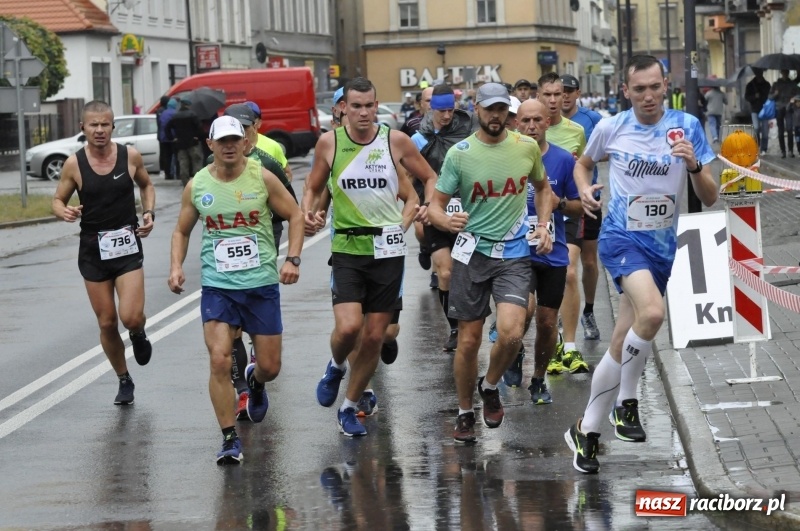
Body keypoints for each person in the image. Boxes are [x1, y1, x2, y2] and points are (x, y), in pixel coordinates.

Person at [564, 54, 718, 474]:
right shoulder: (611, 127)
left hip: (662, 246)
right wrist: (586, 191)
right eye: (639, 89)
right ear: (625, 91)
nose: (648, 96)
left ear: (665, 85)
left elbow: (710, 197)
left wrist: (694, 164)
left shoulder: (687, 126)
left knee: (624, 337)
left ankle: (586, 431)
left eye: (655, 87)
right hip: (620, 237)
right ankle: (627, 402)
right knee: (652, 313)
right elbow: (583, 163)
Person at [301, 77, 433, 437]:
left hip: (388, 252)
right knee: (347, 328)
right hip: (347, 249)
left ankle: (349, 406)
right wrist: (309, 213)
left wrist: (419, 213)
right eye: (355, 105)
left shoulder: (395, 141)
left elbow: (429, 179)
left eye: (369, 105)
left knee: (375, 337)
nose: (363, 112)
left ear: (377, 106)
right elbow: (313, 187)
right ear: (343, 107)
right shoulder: (329, 143)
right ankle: (335, 365)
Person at [168, 115, 304, 464]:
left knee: (270, 366)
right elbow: (181, 230)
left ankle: (256, 384)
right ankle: (229, 438)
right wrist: (176, 267)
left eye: (235, 139)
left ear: (246, 143)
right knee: (218, 359)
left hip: (260, 285)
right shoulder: (197, 185)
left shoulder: (262, 177)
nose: (229, 146)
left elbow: (295, 215)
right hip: (219, 287)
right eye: (222, 141)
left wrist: (293, 259)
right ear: (210, 145)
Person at [426, 82, 555, 444]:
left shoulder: (526, 148)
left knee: (513, 332)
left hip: (514, 254)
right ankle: (466, 412)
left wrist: (543, 225)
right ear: (477, 110)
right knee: (468, 341)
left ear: (508, 113)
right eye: (489, 109)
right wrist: (444, 220)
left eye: (502, 110)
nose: (496, 116)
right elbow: (435, 204)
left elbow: (543, 189)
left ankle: (490, 384)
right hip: (471, 254)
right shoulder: (461, 154)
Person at [51, 100, 155, 406]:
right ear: (83, 128)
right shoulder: (74, 164)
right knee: (108, 322)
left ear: (113, 126)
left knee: (131, 316)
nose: (99, 130)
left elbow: (147, 185)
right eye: (93, 125)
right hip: (93, 250)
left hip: (126, 245)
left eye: (105, 124)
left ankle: (137, 333)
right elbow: (57, 200)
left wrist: (148, 213)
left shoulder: (129, 156)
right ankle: (124, 379)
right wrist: (64, 211)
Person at [504, 99, 582, 403]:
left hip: (552, 252)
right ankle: (513, 349)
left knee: (548, 322)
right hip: (516, 252)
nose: (532, 126)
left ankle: (538, 378)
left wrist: (558, 202)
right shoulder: (506, 158)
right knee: (522, 312)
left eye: (538, 120)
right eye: (525, 121)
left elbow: (578, 209)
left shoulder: (563, 160)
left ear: (547, 123)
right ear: (516, 123)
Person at [411, 84, 474, 352]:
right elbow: (409, 175)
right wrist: (417, 203)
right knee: (446, 273)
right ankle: (455, 328)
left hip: (466, 211)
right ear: (430, 108)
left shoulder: (468, 130)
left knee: (467, 272)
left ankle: (470, 320)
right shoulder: (419, 138)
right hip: (436, 208)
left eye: (450, 110)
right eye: (441, 110)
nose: (446, 116)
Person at [536, 72, 589, 375]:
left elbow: (580, 169)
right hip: (531, 216)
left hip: (565, 213)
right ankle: (548, 335)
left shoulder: (576, 131)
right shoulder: (527, 129)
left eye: (558, 94)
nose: (554, 100)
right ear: (539, 96)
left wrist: (579, 198)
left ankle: (569, 346)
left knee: (570, 271)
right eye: (548, 95)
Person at [559, 74, 604, 352]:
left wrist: (586, 157)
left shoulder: (591, 119)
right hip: (561, 202)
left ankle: (588, 309)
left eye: (568, 91)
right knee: (567, 268)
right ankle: (568, 313)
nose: (563, 97)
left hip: (589, 199)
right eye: (558, 92)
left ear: (578, 93)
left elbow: (607, 150)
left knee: (588, 262)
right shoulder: (543, 121)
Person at [246, 101, 294, 182]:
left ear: (259, 123)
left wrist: (276, 190)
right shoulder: (234, 147)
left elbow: (287, 173)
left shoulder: (273, 146)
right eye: (245, 120)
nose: (249, 123)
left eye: (252, 119)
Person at [167, 96, 205, 186]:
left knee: (183, 165)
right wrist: (198, 137)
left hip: (180, 145)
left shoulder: (175, 116)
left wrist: (172, 138)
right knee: (197, 163)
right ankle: (197, 184)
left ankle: (186, 185)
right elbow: (200, 128)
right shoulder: (192, 115)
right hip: (193, 144)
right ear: (188, 105)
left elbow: (167, 128)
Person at [771, 69, 800, 158]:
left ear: (787, 73)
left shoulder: (792, 84)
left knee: (790, 129)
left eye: (786, 72)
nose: (784, 74)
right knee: (780, 131)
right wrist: (775, 94)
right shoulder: (776, 84)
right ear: (781, 73)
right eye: (783, 72)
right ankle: (783, 150)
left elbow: (798, 94)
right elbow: (770, 97)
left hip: (789, 108)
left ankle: (790, 150)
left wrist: (794, 99)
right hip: (779, 108)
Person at [745, 68, 770, 151]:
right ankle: (756, 144)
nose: (759, 74)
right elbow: (747, 97)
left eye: (760, 72)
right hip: (755, 109)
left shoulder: (767, 84)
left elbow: (769, 96)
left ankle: (764, 148)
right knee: (756, 128)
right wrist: (754, 97)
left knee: (765, 130)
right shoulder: (750, 85)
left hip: (765, 110)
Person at [156, 96, 177, 180]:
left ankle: (167, 173)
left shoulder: (163, 112)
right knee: (174, 155)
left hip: (163, 138)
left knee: (166, 156)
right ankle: (174, 173)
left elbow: (160, 124)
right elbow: (174, 126)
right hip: (172, 138)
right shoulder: (174, 113)